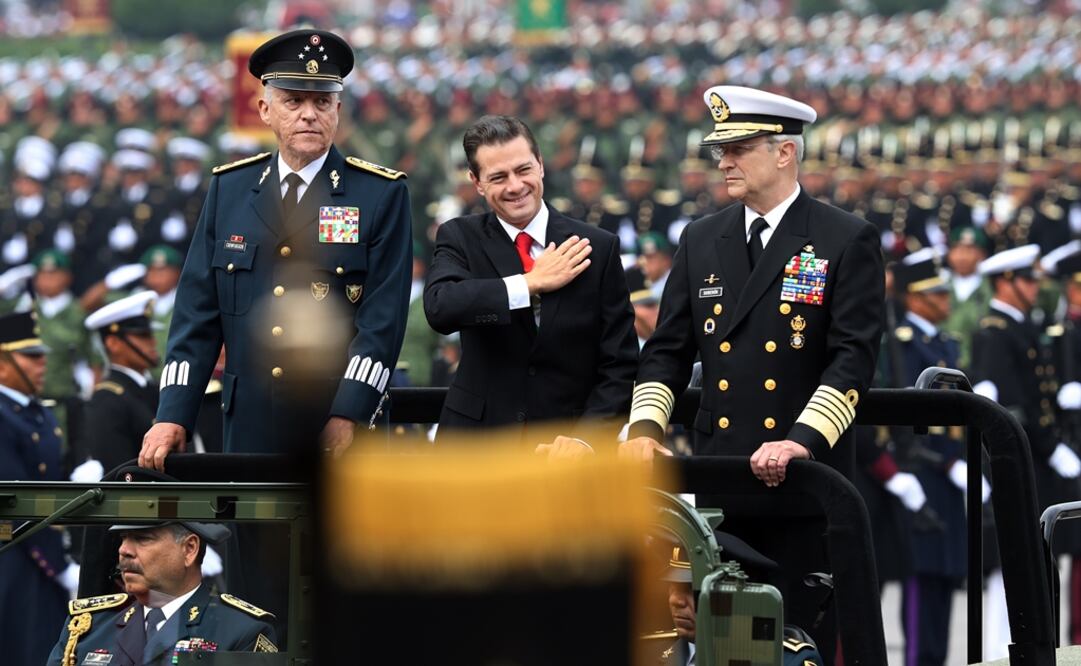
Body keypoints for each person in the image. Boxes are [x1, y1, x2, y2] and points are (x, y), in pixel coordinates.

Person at [620, 85, 885, 659]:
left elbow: (852, 358)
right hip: (722, 486)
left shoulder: (844, 238)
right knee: (715, 640)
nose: (724, 162)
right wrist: (645, 431)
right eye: (722, 150)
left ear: (785, 152)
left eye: (740, 148)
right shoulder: (700, 238)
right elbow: (666, 351)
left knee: (795, 645)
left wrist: (800, 441)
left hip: (800, 486)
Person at [140, 29, 412, 467]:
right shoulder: (229, 189)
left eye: (322, 102)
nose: (309, 114)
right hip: (248, 428)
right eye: (294, 101)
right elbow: (195, 317)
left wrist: (349, 412)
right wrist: (172, 413)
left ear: (338, 110)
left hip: (338, 426)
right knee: (250, 538)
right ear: (265, 110)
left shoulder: (379, 194)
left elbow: (382, 323)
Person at [423, 115, 638, 448]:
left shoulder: (597, 246)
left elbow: (619, 363)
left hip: (563, 451)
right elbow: (441, 307)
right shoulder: (459, 236)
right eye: (498, 177)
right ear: (476, 182)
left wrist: (586, 440)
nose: (514, 186)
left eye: (523, 170)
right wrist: (528, 284)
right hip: (475, 449)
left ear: (540, 165)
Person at [970, 243, 1081, 659]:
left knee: (1036, 561)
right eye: (1028, 280)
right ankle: (1004, 651)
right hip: (1022, 460)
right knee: (1013, 568)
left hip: (1035, 460)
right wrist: (1051, 447)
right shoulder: (995, 333)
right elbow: (1012, 407)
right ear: (1006, 282)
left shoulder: (1022, 327)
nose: (1036, 287)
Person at [47, 517, 277, 665]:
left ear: (189, 549)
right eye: (123, 539)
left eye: (142, 539)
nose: (124, 550)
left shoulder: (241, 633)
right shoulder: (86, 627)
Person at [0, 310, 79, 665]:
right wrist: (58, 566)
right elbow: (16, 503)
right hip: (13, 552)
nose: (42, 362)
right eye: (30, 357)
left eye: (42, 354)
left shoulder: (38, 412)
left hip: (44, 548)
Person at [653, 541, 823, 665]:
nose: (676, 600)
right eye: (673, 587)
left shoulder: (789, 661)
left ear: (734, 594)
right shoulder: (644, 653)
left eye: (690, 589)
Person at [80, 290, 161, 474]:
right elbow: (118, 472)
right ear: (113, 343)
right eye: (143, 336)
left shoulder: (153, 389)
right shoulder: (107, 400)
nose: (153, 342)